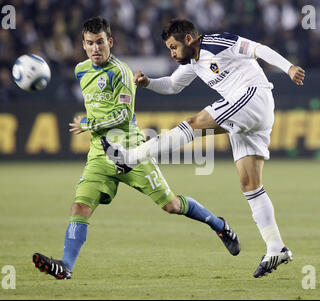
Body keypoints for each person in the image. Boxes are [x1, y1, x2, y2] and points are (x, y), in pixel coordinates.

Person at [32, 17, 240, 280]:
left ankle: (219, 225)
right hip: (99, 154)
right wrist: (93, 128)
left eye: (100, 42)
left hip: (131, 153)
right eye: (89, 43)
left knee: (172, 205)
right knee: (80, 207)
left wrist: (89, 123)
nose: (95, 48)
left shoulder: (121, 72)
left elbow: (121, 115)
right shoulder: (80, 71)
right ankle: (66, 266)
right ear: (83, 46)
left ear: (110, 42)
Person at [102, 19, 306, 278]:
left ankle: (130, 158)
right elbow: (173, 86)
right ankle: (276, 247)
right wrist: (149, 83)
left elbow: (258, 49)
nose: (172, 53)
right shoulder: (193, 63)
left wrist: (288, 68)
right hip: (250, 114)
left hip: (252, 96)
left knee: (194, 124)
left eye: (174, 47)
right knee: (250, 185)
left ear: (189, 39)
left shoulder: (217, 43)